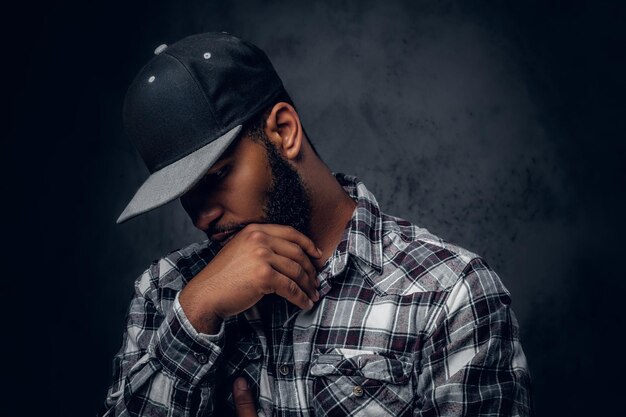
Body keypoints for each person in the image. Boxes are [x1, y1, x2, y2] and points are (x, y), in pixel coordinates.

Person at [102, 32, 532, 417]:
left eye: (216, 178)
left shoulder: (449, 294)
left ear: (284, 131)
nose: (201, 216)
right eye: (184, 195)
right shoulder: (165, 294)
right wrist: (196, 314)